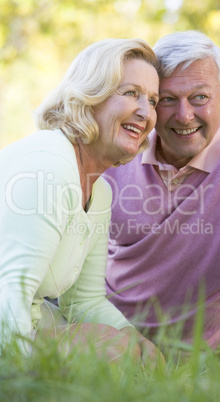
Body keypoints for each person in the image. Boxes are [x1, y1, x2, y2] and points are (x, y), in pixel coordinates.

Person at [0, 37, 162, 364]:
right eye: (131, 93)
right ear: (91, 96)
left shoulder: (100, 192)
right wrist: (21, 380)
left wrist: (133, 337)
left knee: (119, 346)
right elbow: (7, 295)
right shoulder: (48, 167)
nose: (146, 112)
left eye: (154, 100)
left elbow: (83, 302)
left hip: (26, 319)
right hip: (9, 322)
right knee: (107, 349)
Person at [104, 30, 220, 352]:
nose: (184, 115)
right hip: (91, 317)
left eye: (199, 97)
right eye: (167, 99)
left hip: (170, 353)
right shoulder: (125, 146)